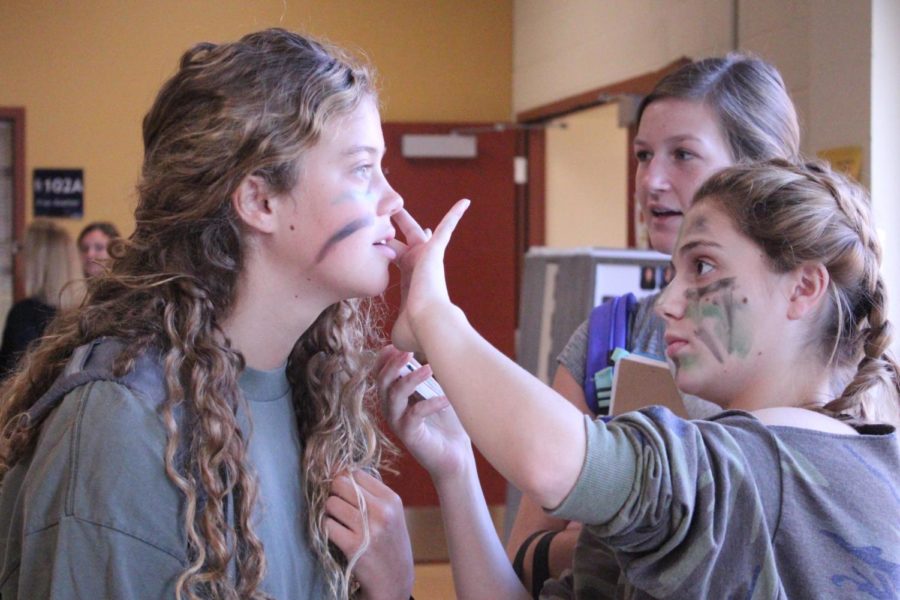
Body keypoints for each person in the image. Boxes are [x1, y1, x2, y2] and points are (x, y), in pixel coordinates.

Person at [0, 29, 416, 599]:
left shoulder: (311, 389)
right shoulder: (123, 428)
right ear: (260, 201)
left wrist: (393, 590)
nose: (394, 201)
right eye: (363, 169)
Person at [381, 159, 899, 598]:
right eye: (672, 273)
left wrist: (434, 315)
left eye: (702, 266)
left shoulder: (735, 467)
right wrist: (456, 468)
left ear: (803, 287)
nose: (669, 304)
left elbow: (550, 460)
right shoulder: (873, 460)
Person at [508, 53, 804, 593]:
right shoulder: (607, 340)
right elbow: (522, 555)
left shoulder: (823, 353)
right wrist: (612, 535)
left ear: (756, 171)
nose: (652, 181)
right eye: (644, 156)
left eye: (683, 155)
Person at [0, 220, 83, 377]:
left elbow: (11, 379)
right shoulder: (85, 315)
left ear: (36, 260)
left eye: (20, 248)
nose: (17, 255)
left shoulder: (24, 314)